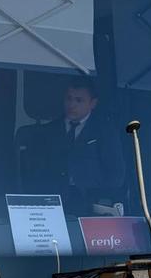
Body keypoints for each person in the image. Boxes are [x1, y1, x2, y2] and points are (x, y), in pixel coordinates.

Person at [17, 79, 126, 215]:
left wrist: (101, 201)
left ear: (93, 103)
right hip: (51, 205)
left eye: (79, 100)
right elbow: (34, 172)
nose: (72, 104)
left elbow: (116, 175)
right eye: (69, 98)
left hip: (90, 206)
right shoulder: (47, 132)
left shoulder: (105, 132)